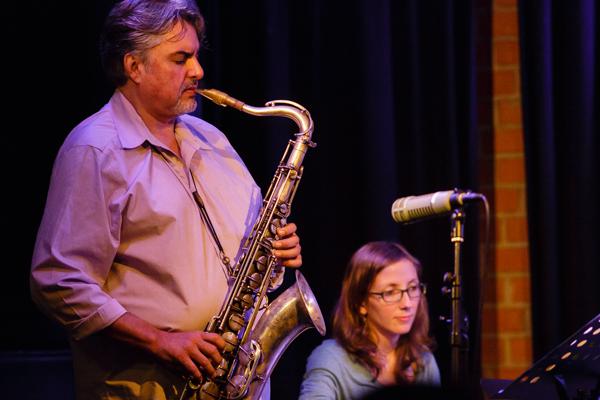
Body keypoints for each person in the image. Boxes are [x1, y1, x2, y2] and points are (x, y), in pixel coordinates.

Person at [30, 1, 302, 399]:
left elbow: (253, 253)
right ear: (133, 67)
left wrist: (278, 252)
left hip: (237, 384)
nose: (198, 71)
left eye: (195, 55)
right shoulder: (95, 150)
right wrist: (160, 341)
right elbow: (58, 283)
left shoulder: (211, 139)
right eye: (181, 58)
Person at [299, 241, 440, 399]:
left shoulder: (423, 361)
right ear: (361, 302)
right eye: (391, 292)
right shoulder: (330, 358)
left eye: (413, 288)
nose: (407, 304)